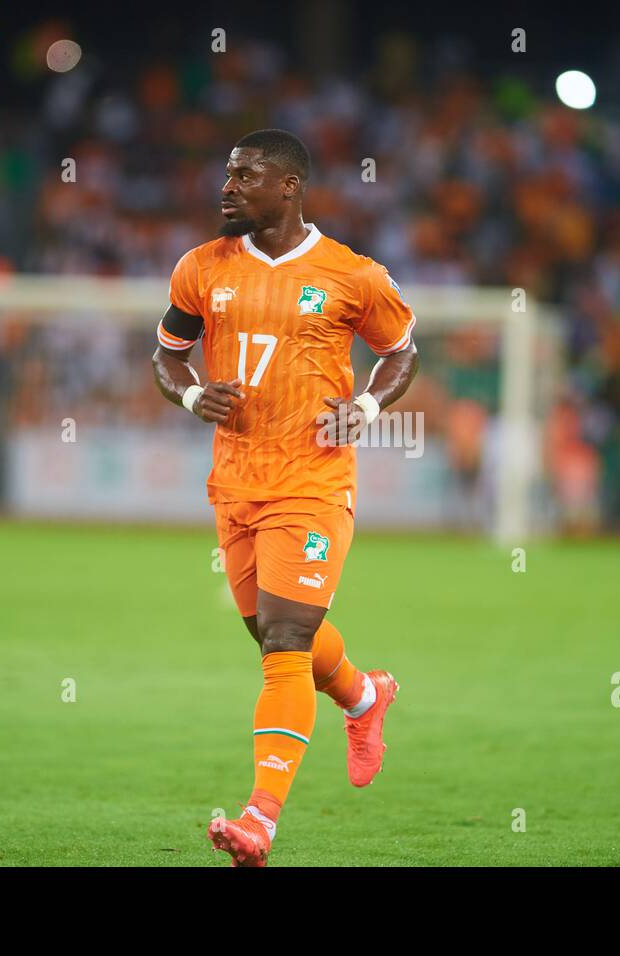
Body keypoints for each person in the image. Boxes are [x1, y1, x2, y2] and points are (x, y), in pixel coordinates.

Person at [151, 129, 419, 866]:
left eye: (245, 175)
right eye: (226, 173)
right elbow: (167, 357)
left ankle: (259, 820)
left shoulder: (350, 274)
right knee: (272, 634)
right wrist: (193, 395)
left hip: (313, 479)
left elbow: (401, 352)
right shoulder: (200, 268)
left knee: (283, 643)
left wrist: (364, 409)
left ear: (288, 187)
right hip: (234, 482)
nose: (228, 187)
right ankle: (365, 696)